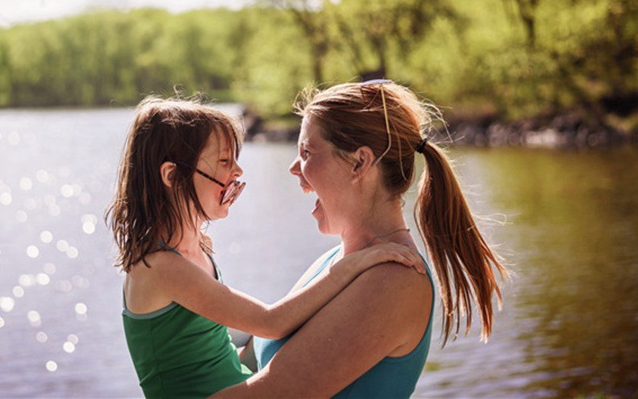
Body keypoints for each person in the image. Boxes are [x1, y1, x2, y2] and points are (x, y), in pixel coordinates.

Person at [105, 96, 426, 399]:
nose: (238, 172)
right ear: (173, 175)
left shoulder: (197, 249)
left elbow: (212, 337)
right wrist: (352, 266)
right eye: (223, 161)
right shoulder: (161, 267)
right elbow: (270, 323)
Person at [215, 80, 507, 398]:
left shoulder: (396, 280)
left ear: (359, 162)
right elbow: (246, 360)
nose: (294, 168)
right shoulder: (337, 262)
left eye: (307, 152)